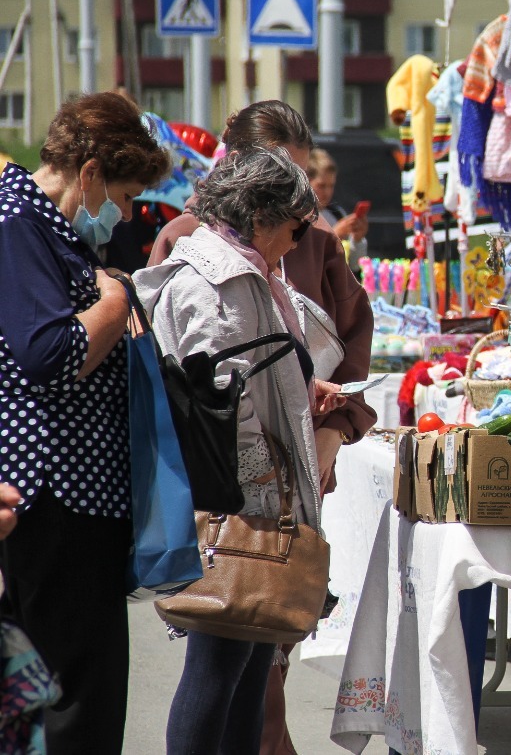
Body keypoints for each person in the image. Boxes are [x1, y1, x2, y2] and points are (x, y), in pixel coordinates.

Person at [149, 102, 374, 755]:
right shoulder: (219, 276)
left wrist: (306, 389)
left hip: (252, 504)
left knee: (246, 675)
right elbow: (221, 397)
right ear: (262, 215)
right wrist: (266, 494)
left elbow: (250, 369)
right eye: (297, 229)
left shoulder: (248, 271)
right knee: (219, 672)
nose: (300, 244)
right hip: (239, 511)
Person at [0, 92, 171, 753]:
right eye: (124, 196)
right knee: (74, 698)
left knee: (82, 695)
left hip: (74, 498)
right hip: (53, 499)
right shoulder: (19, 222)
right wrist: (115, 298)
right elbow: (49, 352)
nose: (125, 215)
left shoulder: (47, 228)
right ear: (92, 171)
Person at [307, 148, 368, 273]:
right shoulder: (298, 216)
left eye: (331, 186)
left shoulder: (337, 213)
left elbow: (354, 266)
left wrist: (357, 239)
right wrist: (335, 234)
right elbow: (305, 258)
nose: (328, 192)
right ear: (307, 181)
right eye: (322, 186)